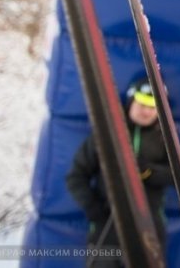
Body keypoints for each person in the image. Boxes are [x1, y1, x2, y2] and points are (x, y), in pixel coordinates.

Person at [66, 78, 171, 264]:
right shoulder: (107, 135)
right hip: (107, 226)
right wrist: (94, 209)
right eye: (142, 104)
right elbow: (76, 176)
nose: (147, 111)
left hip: (149, 229)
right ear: (131, 101)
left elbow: (175, 177)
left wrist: (147, 171)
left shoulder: (166, 140)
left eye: (153, 106)